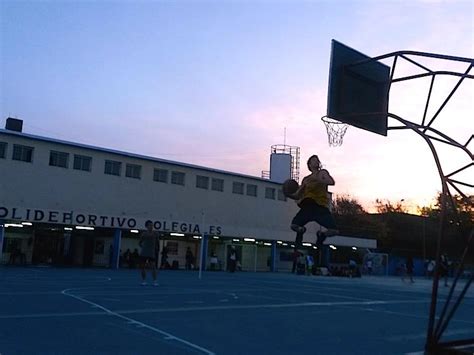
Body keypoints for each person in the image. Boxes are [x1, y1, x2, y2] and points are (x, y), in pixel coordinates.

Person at [287, 155, 339, 248]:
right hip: (308, 205)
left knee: (334, 231)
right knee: (294, 225)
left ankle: (322, 235)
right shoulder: (306, 179)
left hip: (320, 206)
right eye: (314, 160)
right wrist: (288, 194)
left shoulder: (322, 173)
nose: (316, 161)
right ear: (309, 165)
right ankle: (301, 231)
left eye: (317, 160)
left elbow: (331, 182)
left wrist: (321, 179)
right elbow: (297, 195)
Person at [139, 220, 160, 286]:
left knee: (153, 267)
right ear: (146, 226)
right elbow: (140, 242)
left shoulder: (156, 234)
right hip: (144, 253)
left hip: (151, 253)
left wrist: (157, 250)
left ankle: (155, 281)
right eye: (150, 225)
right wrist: (144, 247)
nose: (151, 227)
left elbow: (158, 243)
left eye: (152, 225)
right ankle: (144, 281)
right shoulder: (144, 234)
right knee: (143, 267)